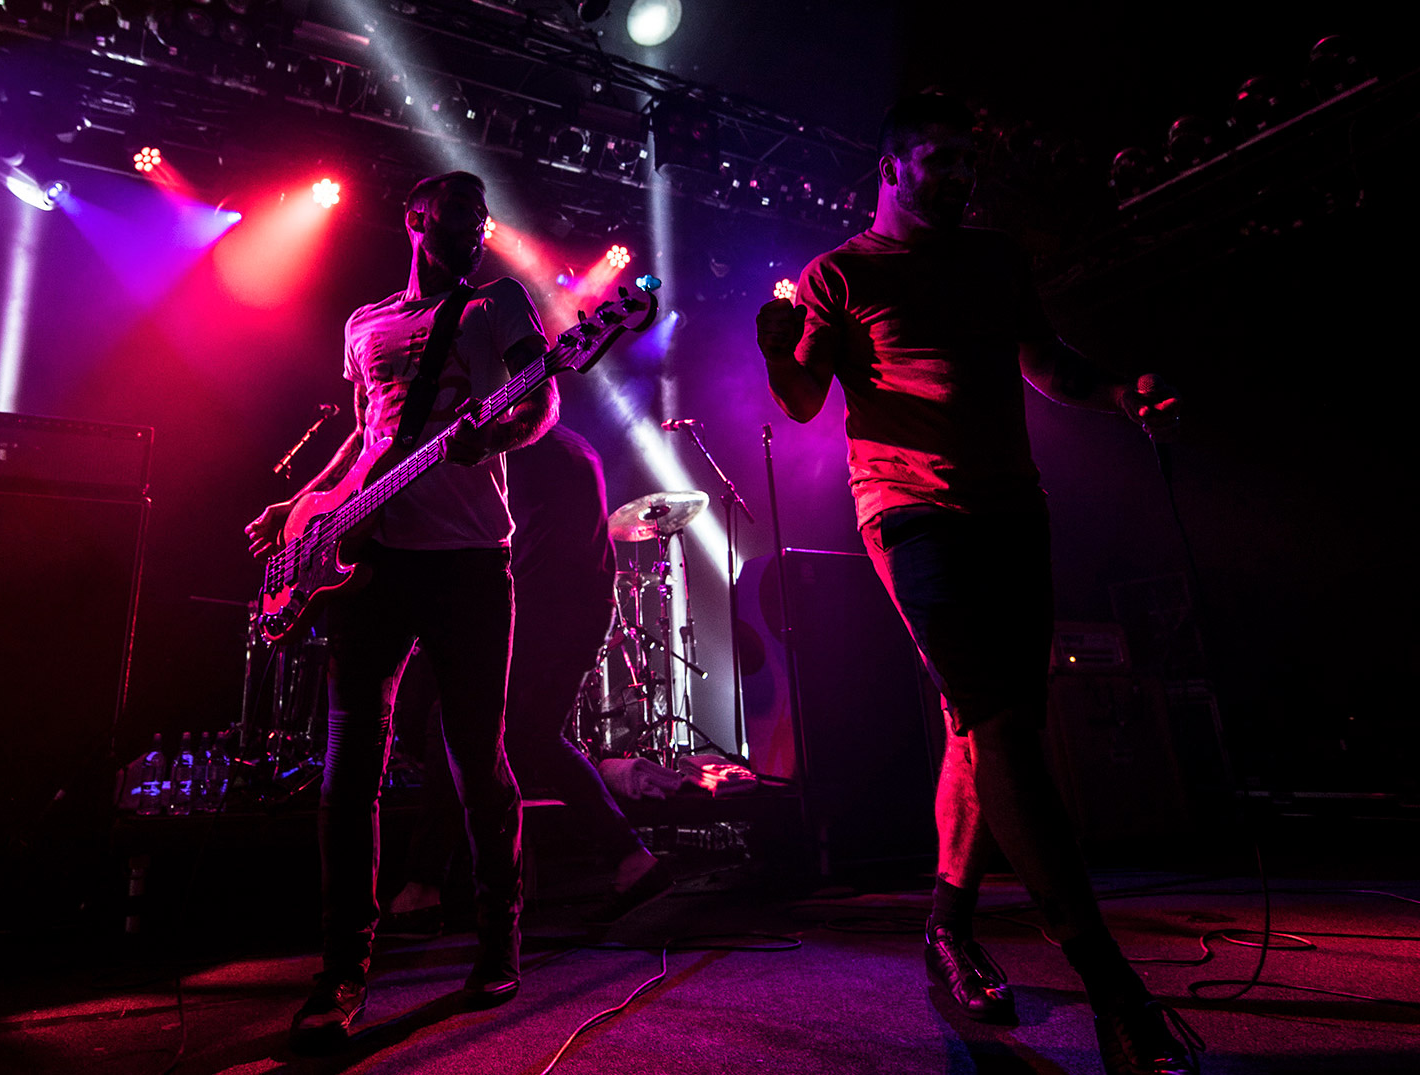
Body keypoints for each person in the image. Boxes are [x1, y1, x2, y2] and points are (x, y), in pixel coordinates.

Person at [754, 93, 1195, 1075]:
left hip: (1010, 507)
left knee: (990, 727)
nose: (957, 177)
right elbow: (800, 398)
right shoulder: (841, 273)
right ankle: (1113, 992)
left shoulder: (994, 257)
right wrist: (772, 339)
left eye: (966, 163)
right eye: (940, 160)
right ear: (893, 164)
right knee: (995, 725)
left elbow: (1043, 361)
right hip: (906, 510)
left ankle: (945, 923)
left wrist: (1122, 394)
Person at [245, 170, 554, 1054]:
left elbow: (540, 397)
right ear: (415, 218)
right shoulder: (366, 322)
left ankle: (498, 938)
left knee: (475, 759)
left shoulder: (498, 303)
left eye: (484, 215)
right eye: (458, 211)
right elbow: (366, 433)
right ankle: (342, 971)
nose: (476, 226)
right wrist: (302, 505)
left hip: (468, 561)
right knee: (349, 772)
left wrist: (490, 434)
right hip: (369, 560)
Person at [386, 425, 670, 933]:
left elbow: (497, 540)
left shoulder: (519, 445)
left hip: (544, 613)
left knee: (454, 723)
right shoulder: (572, 443)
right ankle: (632, 860)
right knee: (531, 738)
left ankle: (425, 886)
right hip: (575, 611)